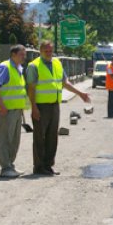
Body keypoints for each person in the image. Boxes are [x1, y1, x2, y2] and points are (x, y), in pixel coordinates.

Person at [26, 41, 90, 176]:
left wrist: (80, 94)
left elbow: (64, 82)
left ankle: (48, 165)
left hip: (54, 105)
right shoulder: (34, 66)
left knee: (52, 137)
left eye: (50, 51)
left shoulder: (57, 63)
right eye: (46, 51)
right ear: (40, 51)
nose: (49, 53)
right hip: (41, 106)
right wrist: (34, 107)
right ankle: (38, 167)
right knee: (39, 137)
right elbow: (31, 88)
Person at [0, 45, 28, 178]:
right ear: (13, 54)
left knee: (14, 140)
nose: (24, 57)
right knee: (5, 139)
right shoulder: (5, 67)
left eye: (24, 54)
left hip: (16, 110)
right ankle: (5, 168)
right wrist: (1, 106)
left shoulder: (18, 68)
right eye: (21, 54)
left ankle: (10, 165)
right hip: (6, 111)